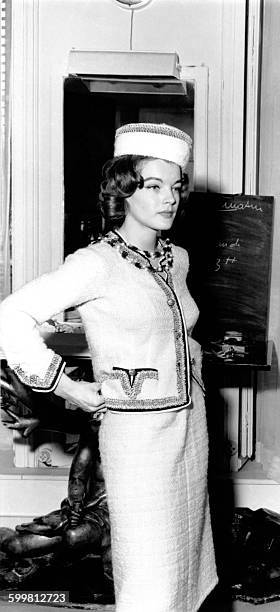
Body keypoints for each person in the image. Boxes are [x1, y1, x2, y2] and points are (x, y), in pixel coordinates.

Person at [0, 123, 217, 611]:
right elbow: (9, 316)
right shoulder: (96, 263)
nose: (170, 199)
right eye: (153, 186)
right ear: (124, 188)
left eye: (176, 186)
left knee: (187, 557)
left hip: (191, 426)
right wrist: (67, 386)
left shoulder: (176, 258)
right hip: (138, 439)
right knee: (148, 570)